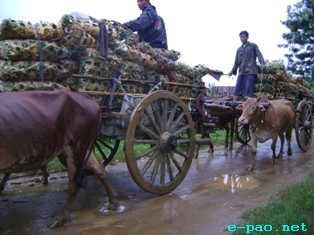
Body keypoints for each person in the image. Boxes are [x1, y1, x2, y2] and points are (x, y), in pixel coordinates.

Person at [228, 30, 265, 100]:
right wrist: (232, 71)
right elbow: (236, 62)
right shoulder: (239, 49)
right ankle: (234, 104)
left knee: (248, 91)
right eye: (240, 37)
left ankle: (248, 106)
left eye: (243, 37)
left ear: (247, 37)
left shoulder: (253, 46)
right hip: (241, 72)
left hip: (250, 72)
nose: (242, 38)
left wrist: (262, 63)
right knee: (236, 91)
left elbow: (259, 55)